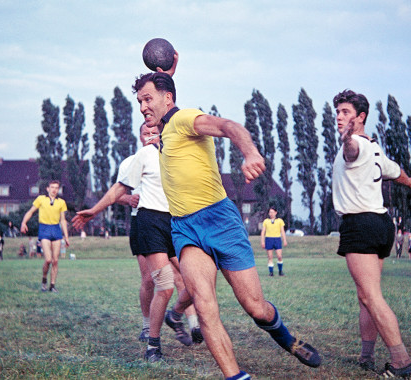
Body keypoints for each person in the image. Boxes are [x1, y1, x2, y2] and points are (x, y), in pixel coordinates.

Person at [131, 69, 321, 379]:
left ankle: (288, 339)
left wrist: (249, 153)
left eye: (148, 99)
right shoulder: (163, 131)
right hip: (184, 229)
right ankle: (235, 376)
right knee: (205, 308)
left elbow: (228, 126)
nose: (142, 107)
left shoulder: (183, 119)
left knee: (256, 307)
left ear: (168, 98)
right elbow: (165, 91)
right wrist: (168, 68)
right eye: (139, 101)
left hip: (219, 221)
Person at [72, 124, 202, 359]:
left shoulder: (178, 154)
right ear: (141, 137)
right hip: (148, 220)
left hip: (175, 222)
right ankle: (153, 345)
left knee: (191, 279)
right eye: (147, 132)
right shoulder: (143, 155)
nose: (152, 135)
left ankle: (178, 317)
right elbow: (118, 189)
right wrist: (95, 209)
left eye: (156, 130)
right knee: (164, 284)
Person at [332, 89, 411, 378]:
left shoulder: (356, 144)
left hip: (360, 224)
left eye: (345, 112)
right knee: (366, 295)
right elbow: (395, 172)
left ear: (360, 117)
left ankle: (401, 362)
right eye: (337, 112)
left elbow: (350, 150)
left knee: (371, 296)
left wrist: (346, 137)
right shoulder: (374, 147)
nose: (339, 117)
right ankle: (366, 356)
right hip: (381, 224)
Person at [20, 180, 70, 293]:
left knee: (55, 261)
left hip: (56, 230)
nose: (54, 190)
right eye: (52, 187)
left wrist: (66, 237)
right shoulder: (41, 199)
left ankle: (52, 286)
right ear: (48, 189)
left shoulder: (61, 202)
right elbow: (30, 211)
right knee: (48, 260)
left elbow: (63, 220)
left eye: (56, 188)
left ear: (58, 189)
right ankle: (44, 281)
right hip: (44, 229)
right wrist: (24, 222)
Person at [260, 206, 287, 276]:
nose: (271, 214)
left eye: (272, 212)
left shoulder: (280, 221)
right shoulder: (266, 221)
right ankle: (271, 272)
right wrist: (262, 241)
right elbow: (263, 232)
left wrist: (284, 240)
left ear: (276, 213)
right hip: (269, 239)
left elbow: (282, 231)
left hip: (277, 239)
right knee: (270, 257)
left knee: (279, 256)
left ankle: (280, 271)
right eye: (270, 212)